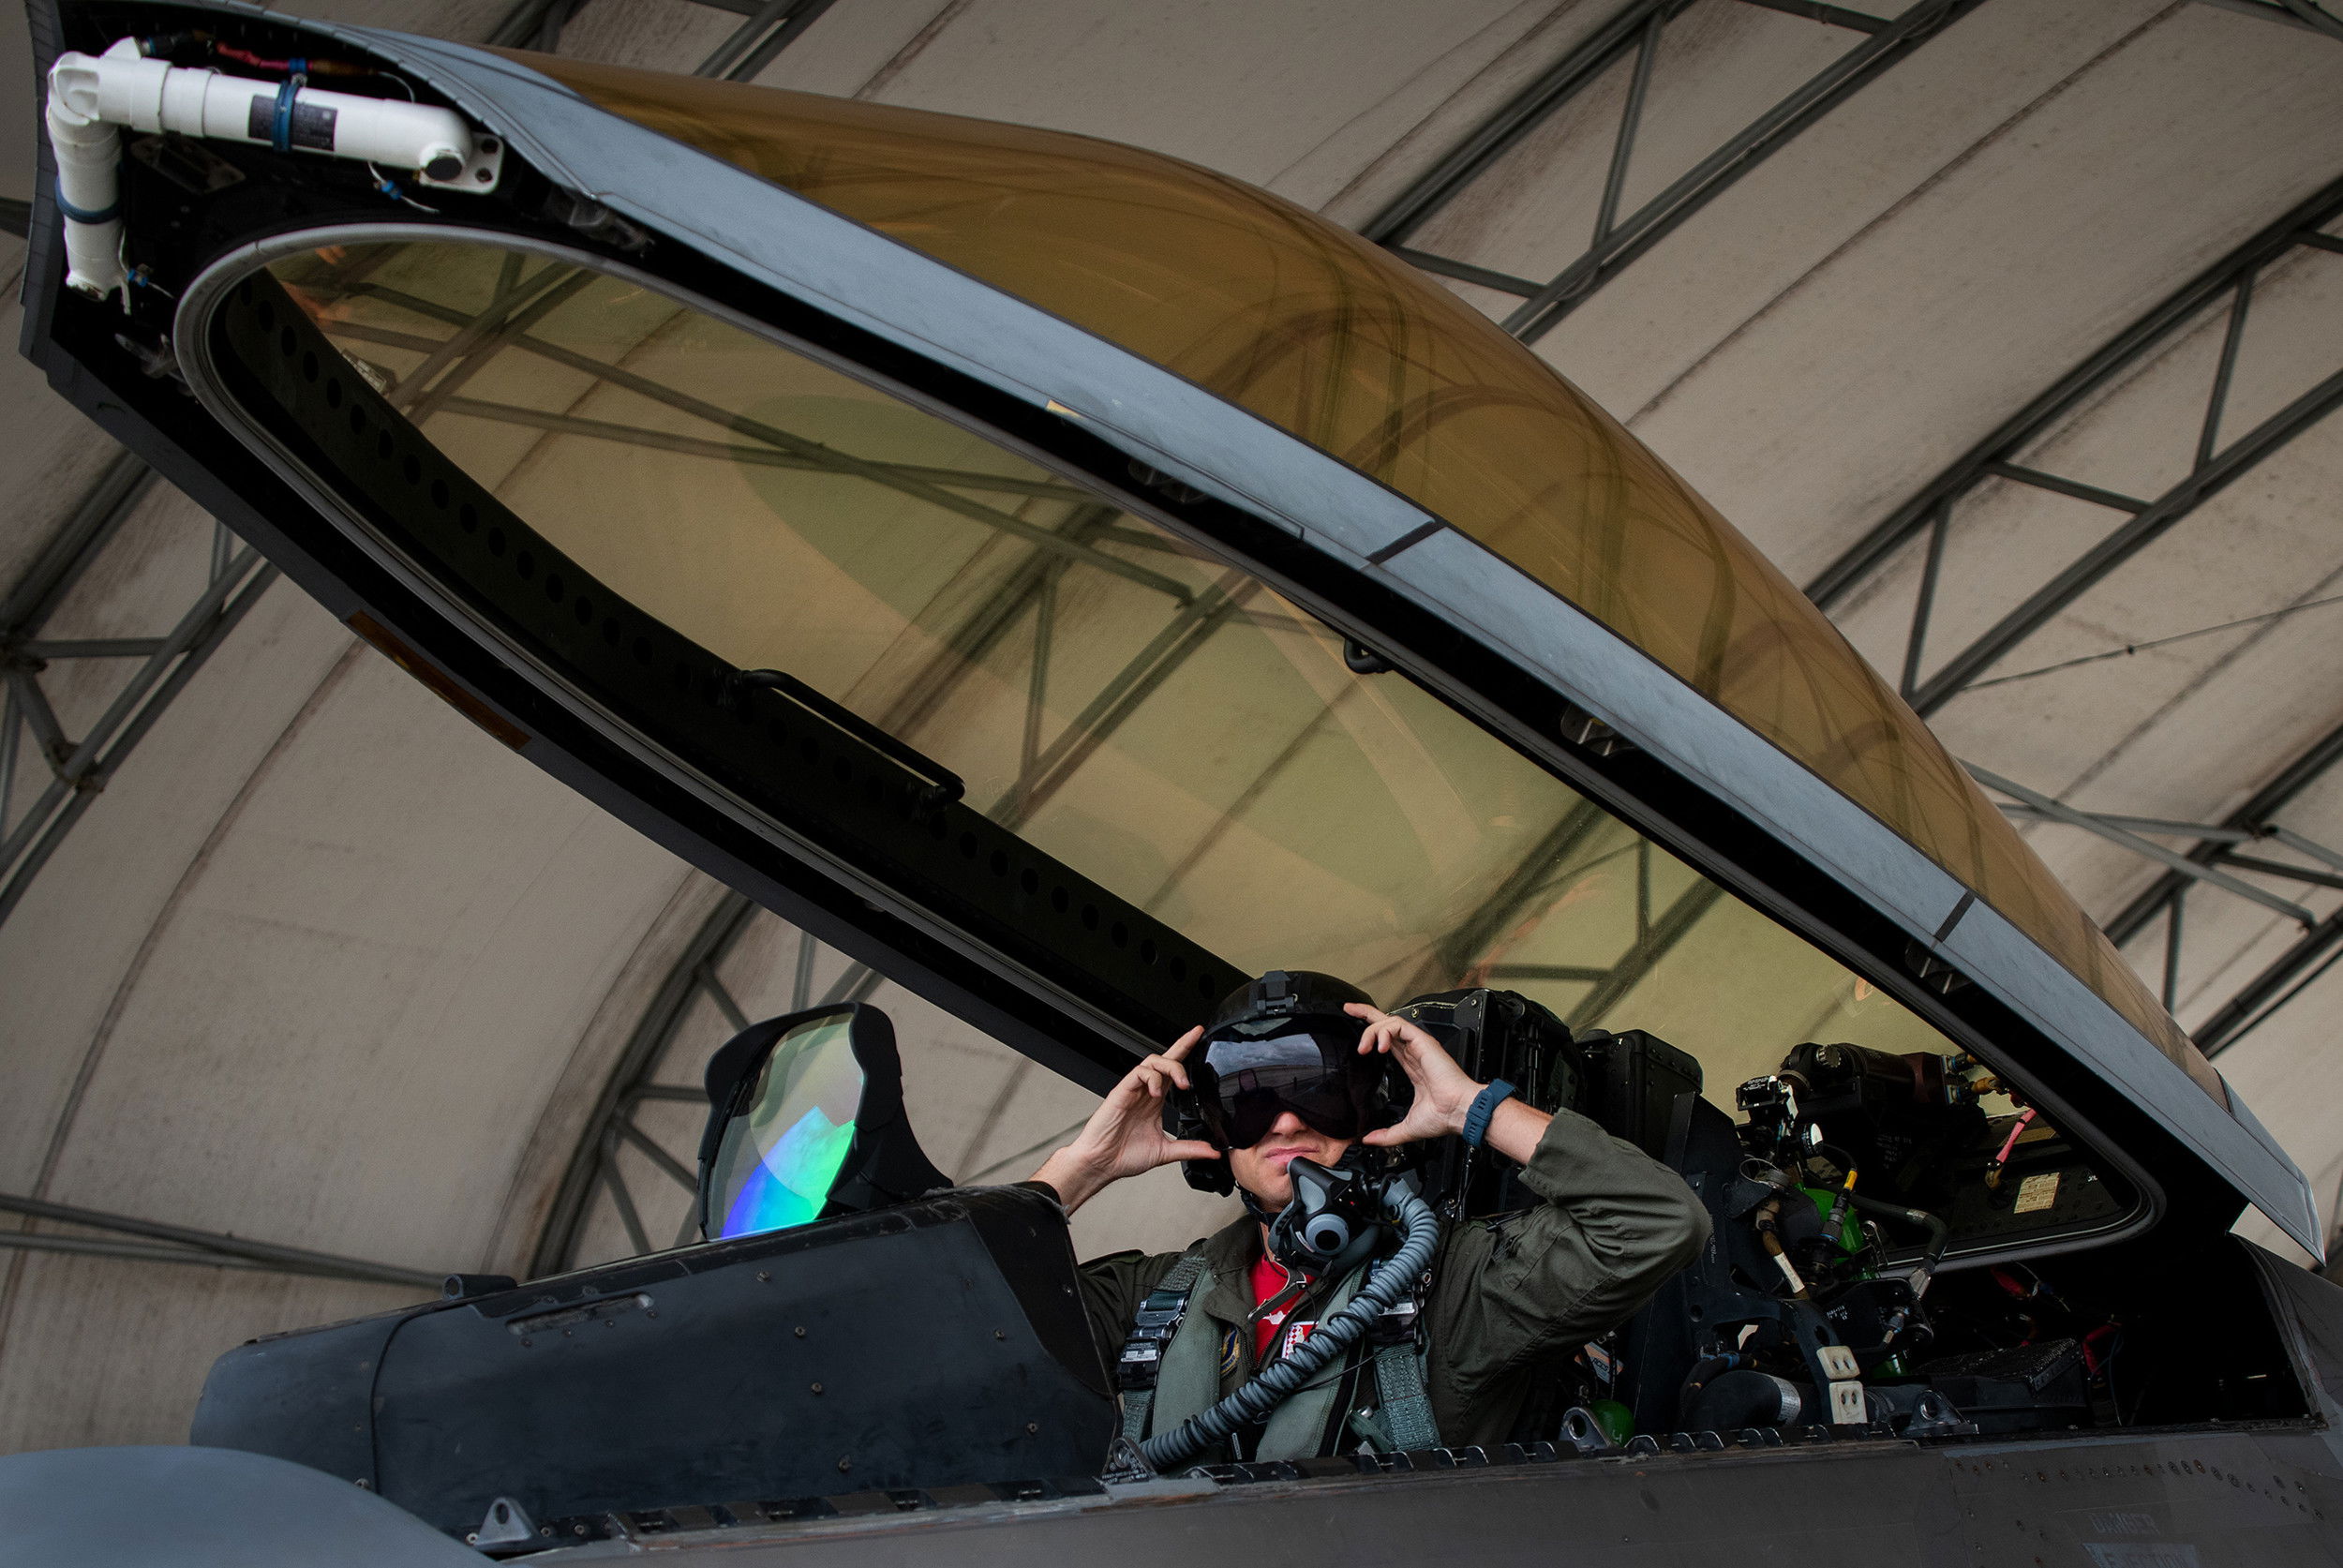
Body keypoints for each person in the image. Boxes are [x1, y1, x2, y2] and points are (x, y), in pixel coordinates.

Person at [1028, 971, 1709, 1462]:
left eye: (1319, 1089)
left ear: (1375, 1107)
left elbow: (1659, 1222)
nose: (1287, 1120)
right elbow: (950, 1320)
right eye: (1248, 1099)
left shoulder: (1458, 1284)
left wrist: (1469, 1105)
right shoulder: (1154, 1297)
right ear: (1212, 1133)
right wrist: (1078, 1168)